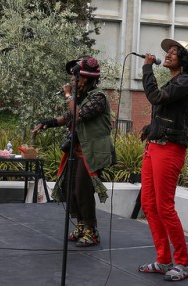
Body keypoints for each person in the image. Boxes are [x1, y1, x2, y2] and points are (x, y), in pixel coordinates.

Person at [32, 56, 115, 247]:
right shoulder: (83, 97)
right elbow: (68, 116)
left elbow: (78, 116)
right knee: (70, 189)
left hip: (92, 152)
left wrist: (68, 95)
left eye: (76, 77)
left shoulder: (98, 97)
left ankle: (91, 230)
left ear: (86, 78)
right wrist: (47, 123)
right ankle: (80, 225)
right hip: (77, 150)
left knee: (83, 190)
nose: (72, 80)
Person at [138, 39, 188, 281]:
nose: (169, 54)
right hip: (155, 146)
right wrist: (151, 126)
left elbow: (156, 97)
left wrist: (147, 68)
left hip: (170, 148)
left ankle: (182, 263)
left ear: (184, 59)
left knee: (164, 206)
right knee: (149, 204)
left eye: (174, 52)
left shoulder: (186, 81)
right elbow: (168, 111)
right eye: (168, 52)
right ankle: (163, 260)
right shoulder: (174, 81)